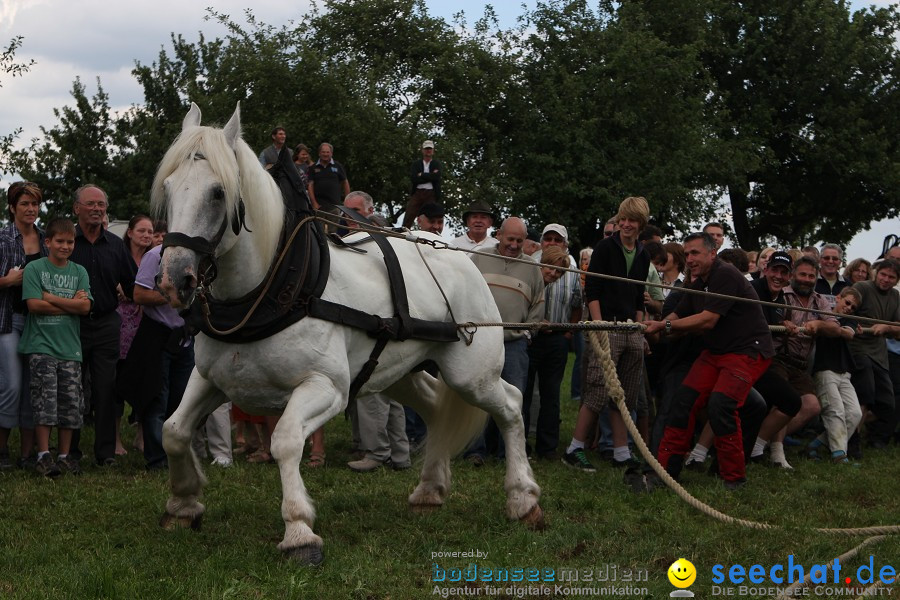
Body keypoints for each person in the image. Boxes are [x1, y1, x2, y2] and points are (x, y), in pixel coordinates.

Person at [645, 232, 774, 489]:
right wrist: (656, 328)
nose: (689, 258)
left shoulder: (724, 274)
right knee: (683, 401)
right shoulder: (697, 281)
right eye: (687, 253)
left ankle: (734, 479)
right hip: (717, 352)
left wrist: (664, 324)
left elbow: (708, 319)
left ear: (712, 253)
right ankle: (666, 472)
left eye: (695, 253)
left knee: (721, 405)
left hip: (748, 351)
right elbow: (679, 312)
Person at [563, 197, 651, 472]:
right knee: (599, 388)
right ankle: (574, 448)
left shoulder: (642, 254)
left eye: (631, 220)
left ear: (641, 224)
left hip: (630, 328)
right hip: (606, 326)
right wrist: (598, 325)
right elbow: (593, 289)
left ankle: (621, 451)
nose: (625, 224)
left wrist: (638, 327)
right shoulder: (604, 247)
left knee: (624, 392)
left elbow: (639, 296)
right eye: (622, 218)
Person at [466, 217, 545, 464]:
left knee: (513, 398)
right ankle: (474, 451)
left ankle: (507, 453)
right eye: (510, 239)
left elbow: (538, 304)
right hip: (480, 340)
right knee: (475, 395)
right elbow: (465, 292)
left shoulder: (532, 268)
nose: (514, 245)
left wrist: (528, 333)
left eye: (520, 241)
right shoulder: (478, 259)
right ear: (499, 235)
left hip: (514, 342)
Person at [69, 184, 137, 466]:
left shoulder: (116, 244)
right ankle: (69, 451)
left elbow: (133, 285)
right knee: (73, 387)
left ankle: (106, 453)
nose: (97, 209)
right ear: (77, 209)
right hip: (72, 324)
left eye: (101, 205)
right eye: (91, 204)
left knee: (106, 389)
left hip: (108, 323)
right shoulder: (68, 242)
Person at [19, 218, 92, 476]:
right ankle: (43, 455)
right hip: (41, 347)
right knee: (44, 403)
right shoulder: (35, 268)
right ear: (47, 242)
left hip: (70, 349)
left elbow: (85, 307)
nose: (65, 246)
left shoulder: (79, 272)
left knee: (71, 404)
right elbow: (34, 305)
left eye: (70, 241)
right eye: (59, 241)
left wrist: (48, 296)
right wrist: (67, 301)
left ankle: (64, 456)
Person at [126, 241, 196, 470]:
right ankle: (157, 459)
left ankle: (176, 455)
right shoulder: (154, 256)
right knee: (157, 400)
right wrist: (173, 295)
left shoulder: (195, 257)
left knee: (180, 402)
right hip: (158, 336)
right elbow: (138, 295)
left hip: (185, 338)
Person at [523, 232, 582, 460]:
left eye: (559, 271)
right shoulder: (529, 273)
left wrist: (568, 331)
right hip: (530, 339)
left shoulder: (572, 275)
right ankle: (522, 445)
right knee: (524, 392)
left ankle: (547, 447)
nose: (554, 273)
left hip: (557, 339)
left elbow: (577, 304)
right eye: (550, 268)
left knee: (551, 394)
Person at [0, 182, 45, 470]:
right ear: (13, 207)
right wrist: (7, 281)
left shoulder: (45, 239)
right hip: (8, 320)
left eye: (35, 204)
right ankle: (2, 449)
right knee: (13, 386)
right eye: (25, 204)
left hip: (39, 322)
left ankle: (27, 454)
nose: (31, 209)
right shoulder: (3, 237)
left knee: (33, 387)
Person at [849, 258, 900, 450]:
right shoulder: (862, 287)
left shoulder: (895, 296)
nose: (886, 279)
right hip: (858, 349)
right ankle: (851, 441)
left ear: (896, 281)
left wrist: (887, 327)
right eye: (883, 274)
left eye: (891, 277)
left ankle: (840, 430)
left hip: (880, 355)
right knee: (866, 396)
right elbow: (844, 308)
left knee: (887, 405)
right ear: (876, 273)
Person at [808, 287, 864, 463]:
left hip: (844, 372)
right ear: (838, 298)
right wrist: (821, 324)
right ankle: (839, 455)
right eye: (847, 302)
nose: (849, 308)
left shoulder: (849, 321)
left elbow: (847, 333)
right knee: (835, 411)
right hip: (824, 370)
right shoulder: (822, 314)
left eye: (853, 307)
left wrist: (825, 327)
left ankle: (815, 444)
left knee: (855, 414)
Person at [115, 214, 154, 455]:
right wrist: (120, 288)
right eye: (141, 230)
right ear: (129, 233)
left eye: (150, 231)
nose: (147, 235)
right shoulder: (119, 255)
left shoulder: (154, 259)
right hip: (119, 324)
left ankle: (141, 436)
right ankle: (115, 439)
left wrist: (140, 295)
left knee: (144, 383)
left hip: (146, 325)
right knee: (117, 383)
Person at [403, 140, 443, 228]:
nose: (428, 151)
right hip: (418, 192)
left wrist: (422, 175)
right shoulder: (416, 164)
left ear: (433, 150)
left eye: (430, 149)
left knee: (432, 215)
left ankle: (432, 233)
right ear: (422, 150)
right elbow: (414, 179)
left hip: (431, 193)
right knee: (409, 214)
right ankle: (403, 233)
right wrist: (430, 177)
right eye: (426, 149)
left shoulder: (436, 163)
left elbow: (436, 177)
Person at [307, 142, 350, 213]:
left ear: (331, 153)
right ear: (319, 153)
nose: (325, 154)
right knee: (318, 224)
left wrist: (347, 201)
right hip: (319, 207)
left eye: (328, 152)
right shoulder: (313, 168)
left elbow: (345, 182)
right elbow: (310, 186)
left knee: (334, 224)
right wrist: (314, 203)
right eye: (323, 152)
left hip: (335, 206)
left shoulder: (338, 166)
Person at [815, 243, 848, 311]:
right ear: (820, 260)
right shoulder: (811, 281)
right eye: (826, 258)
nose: (830, 261)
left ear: (840, 262)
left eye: (835, 259)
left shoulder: (848, 285)